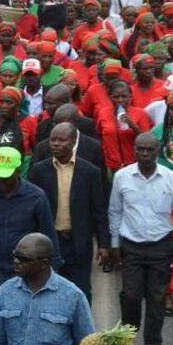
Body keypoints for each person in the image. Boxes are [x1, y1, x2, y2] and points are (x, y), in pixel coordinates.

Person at [108, 133, 173, 345]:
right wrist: (115, 244)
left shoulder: (170, 178)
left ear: (158, 151)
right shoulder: (122, 177)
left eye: (149, 150)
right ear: (134, 150)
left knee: (157, 299)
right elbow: (115, 211)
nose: (144, 154)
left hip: (161, 246)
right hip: (131, 246)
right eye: (140, 149)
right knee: (131, 296)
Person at [0, 147, 59, 338]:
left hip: (30, 278)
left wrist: (52, 282)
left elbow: (50, 242)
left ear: (18, 172)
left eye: (4, 176)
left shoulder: (37, 197)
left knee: (25, 334)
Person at [29, 122, 110, 302]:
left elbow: (99, 210)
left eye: (61, 140)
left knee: (80, 292)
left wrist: (104, 244)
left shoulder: (90, 172)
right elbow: (31, 208)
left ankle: (82, 330)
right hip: (49, 243)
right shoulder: (39, 170)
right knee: (48, 291)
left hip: (78, 243)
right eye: (53, 140)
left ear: (73, 142)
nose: (56, 144)